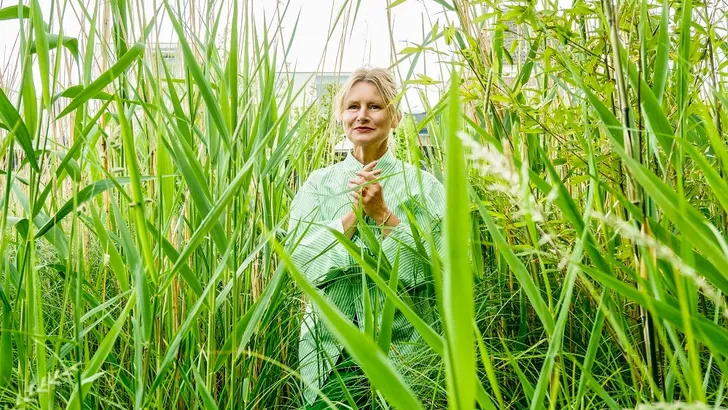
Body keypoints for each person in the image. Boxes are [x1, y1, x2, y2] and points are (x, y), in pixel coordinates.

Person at [287, 67, 445, 408]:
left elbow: (438, 271)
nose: (362, 115)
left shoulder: (425, 186)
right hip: (329, 355)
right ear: (341, 117)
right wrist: (353, 216)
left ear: (396, 117)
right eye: (353, 107)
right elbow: (298, 264)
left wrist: (383, 216)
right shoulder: (319, 185)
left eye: (375, 106)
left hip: (405, 355)